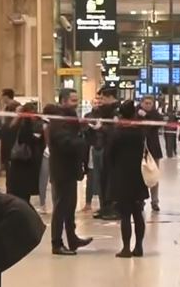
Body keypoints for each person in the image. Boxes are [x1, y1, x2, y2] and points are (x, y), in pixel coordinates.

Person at [47, 90, 92, 255]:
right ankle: (56, 243)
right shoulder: (59, 121)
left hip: (70, 169)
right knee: (61, 206)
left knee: (70, 206)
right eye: (73, 100)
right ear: (64, 101)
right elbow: (65, 143)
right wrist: (82, 141)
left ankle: (72, 238)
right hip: (62, 169)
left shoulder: (70, 119)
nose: (76, 103)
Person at [106, 101, 150, 258]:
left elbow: (108, 155)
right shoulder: (140, 132)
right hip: (138, 176)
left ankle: (125, 248)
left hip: (121, 177)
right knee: (138, 212)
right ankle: (139, 246)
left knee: (125, 215)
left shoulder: (116, 133)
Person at [88, 89, 120, 220]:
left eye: (102, 99)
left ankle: (113, 208)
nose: (100, 102)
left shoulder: (117, 112)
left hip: (113, 150)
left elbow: (116, 132)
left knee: (111, 179)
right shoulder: (102, 111)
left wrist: (102, 128)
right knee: (102, 179)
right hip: (101, 147)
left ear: (110, 97)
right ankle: (104, 207)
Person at [5, 102, 44, 207]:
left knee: (19, 197)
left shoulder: (19, 125)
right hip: (23, 163)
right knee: (21, 197)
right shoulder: (24, 125)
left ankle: (34, 221)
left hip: (21, 164)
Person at [137, 96, 164, 212]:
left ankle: (155, 201)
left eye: (150, 104)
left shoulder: (155, 115)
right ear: (141, 103)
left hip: (153, 149)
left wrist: (147, 116)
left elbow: (159, 123)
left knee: (154, 176)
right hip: (139, 149)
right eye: (146, 103)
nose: (148, 105)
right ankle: (140, 199)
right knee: (140, 176)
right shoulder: (135, 113)